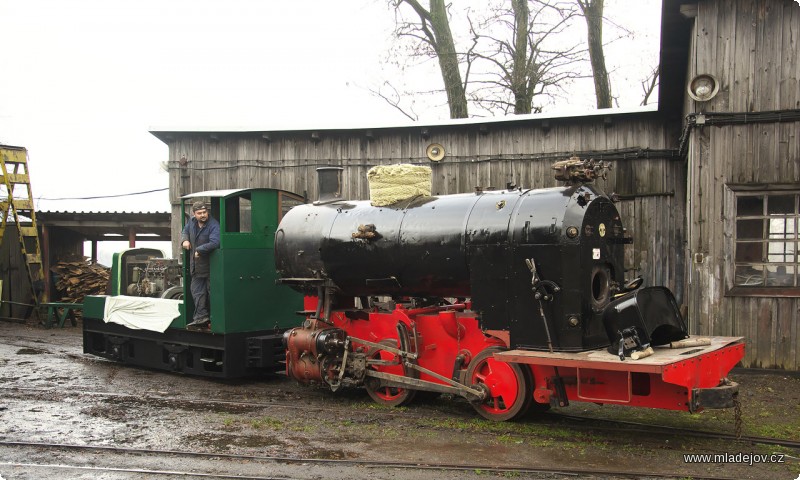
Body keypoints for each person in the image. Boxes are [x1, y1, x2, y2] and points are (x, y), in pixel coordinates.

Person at [181, 201, 220, 328]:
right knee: (197, 292)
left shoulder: (214, 225)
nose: (203, 215)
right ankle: (201, 318)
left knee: (211, 293)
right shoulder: (191, 222)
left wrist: (199, 249)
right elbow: (185, 231)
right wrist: (185, 240)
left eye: (204, 212)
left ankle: (215, 320)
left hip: (210, 266)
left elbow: (215, 242)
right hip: (196, 266)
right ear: (194, 214)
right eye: (199, 213)